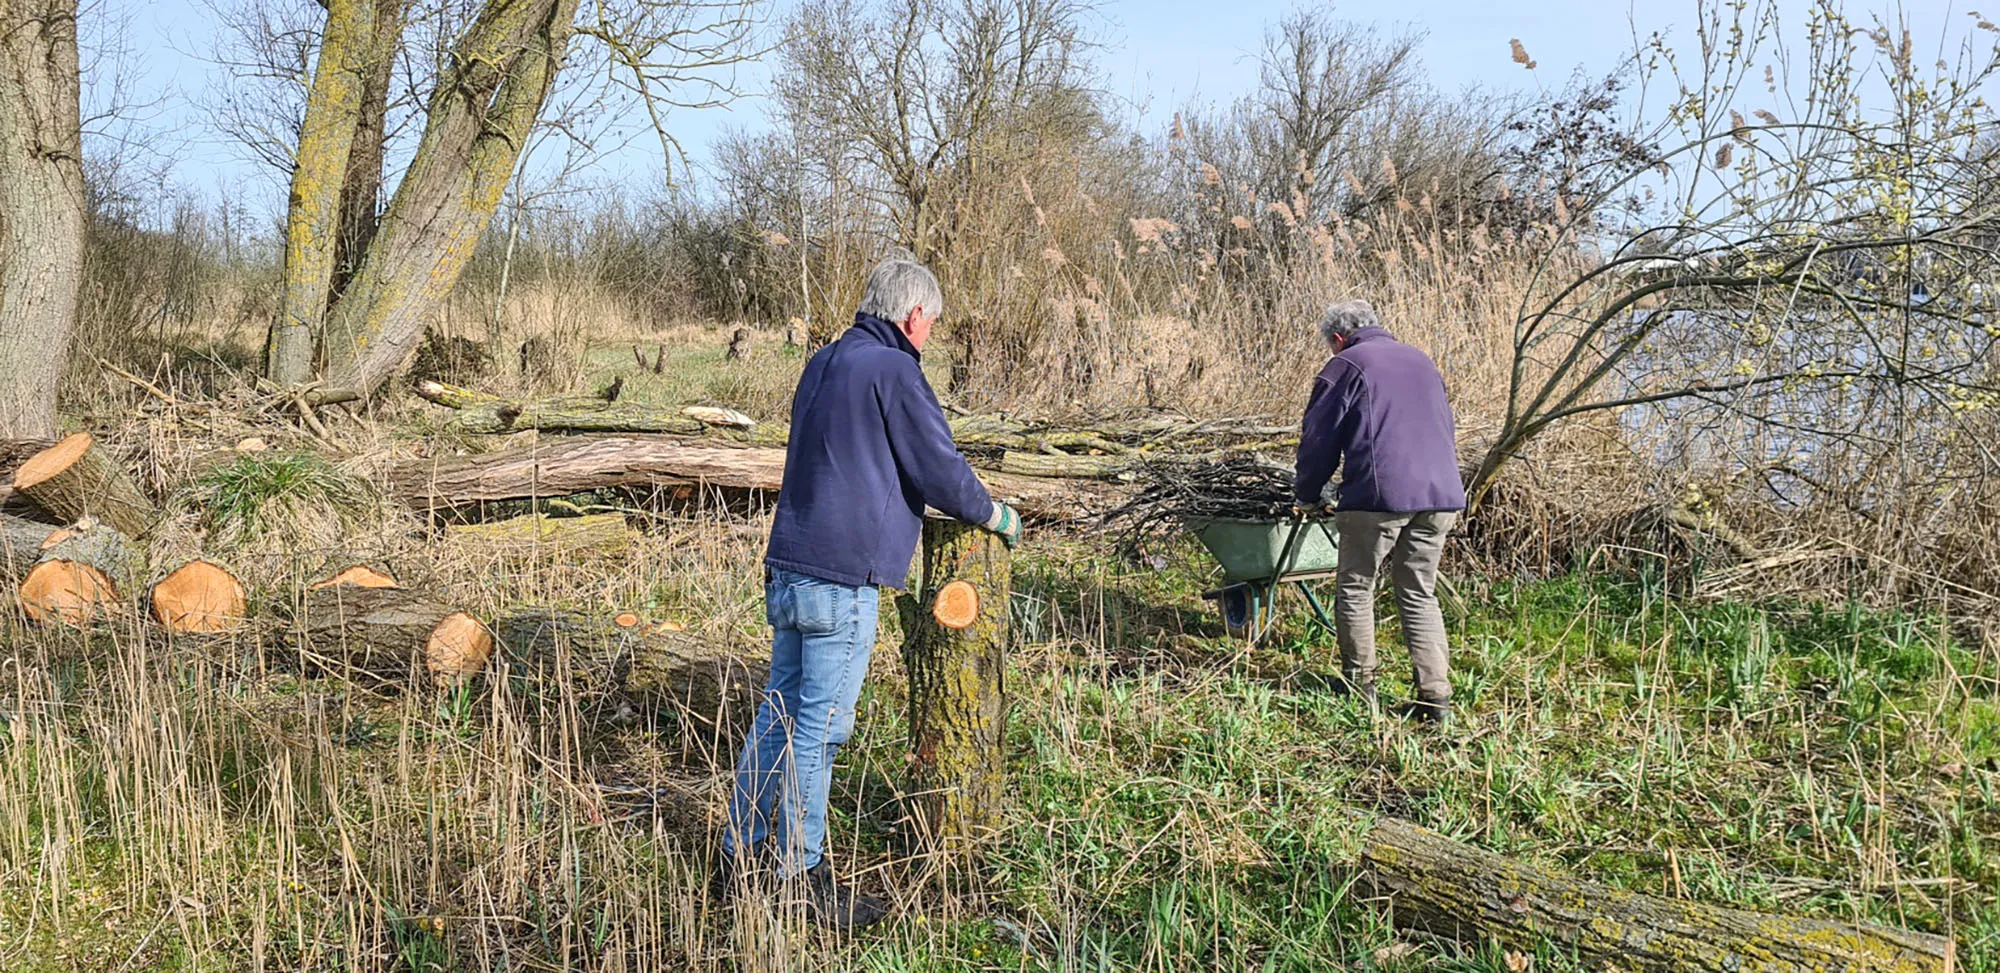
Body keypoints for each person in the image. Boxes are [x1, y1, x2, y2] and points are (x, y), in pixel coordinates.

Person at [719, 257, 1022, 929]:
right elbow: (939, 467)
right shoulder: (895, 370)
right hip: (841, 577)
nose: (931, 336)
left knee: (778, 714)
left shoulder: (825, 361)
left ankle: (737, 853)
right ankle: (799, 876)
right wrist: (993, 513)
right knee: (820, 732)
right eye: (933, 325)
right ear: (914, 317)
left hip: (791, 563)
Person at [1293, 299, 1467, 724]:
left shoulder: (1346, 366)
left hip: (1379, 496)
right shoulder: (1421, 360)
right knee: (1417, 591)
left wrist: (1307, 493)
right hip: (1441, 494)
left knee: (1355, 586)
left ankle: (1359, 683)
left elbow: (1319, 440)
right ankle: (1435, 698)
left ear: (1338, 338)